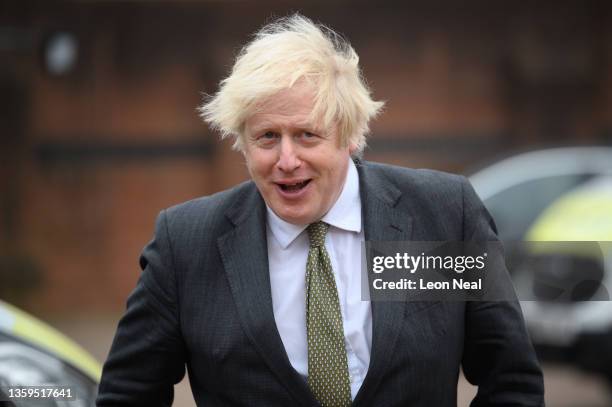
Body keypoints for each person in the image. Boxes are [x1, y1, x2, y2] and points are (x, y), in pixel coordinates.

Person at [97, 14, 544, 406]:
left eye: (307, 135)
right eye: (267, 137)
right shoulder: (186, 244)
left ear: (349, 134)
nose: (286, 160)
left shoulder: (444, 215)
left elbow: (511, 381)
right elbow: (127, 394)